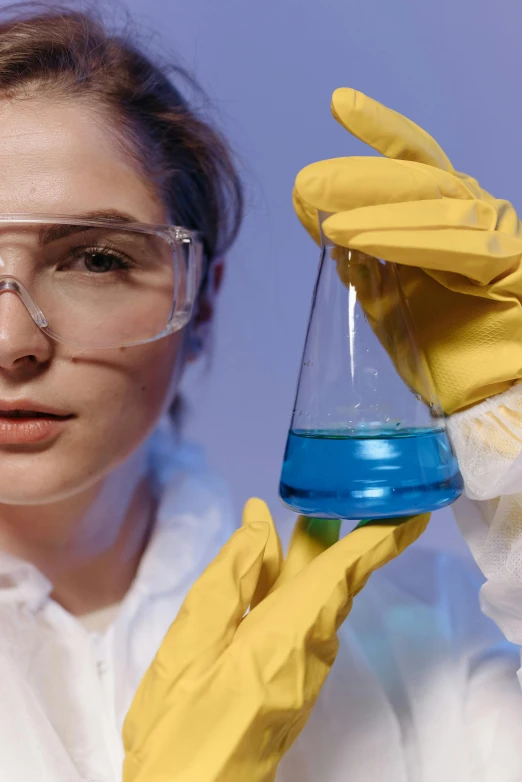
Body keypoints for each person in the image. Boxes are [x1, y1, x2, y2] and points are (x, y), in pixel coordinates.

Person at [0, 4, 519, 782]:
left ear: (201, 301)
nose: (13, 343)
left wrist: (511, 432)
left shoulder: (418, 643)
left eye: (96, 260)